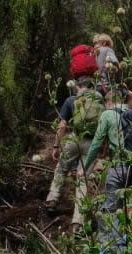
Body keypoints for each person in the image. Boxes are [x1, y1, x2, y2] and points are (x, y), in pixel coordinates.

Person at [45, 76, 105, 226]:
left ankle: (52, 199)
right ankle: (78, 221)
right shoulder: (99, 101)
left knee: (61, 169)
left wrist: (56, 146)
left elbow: (62, 125)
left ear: (78, 87)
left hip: (74, 139)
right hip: (91, 143)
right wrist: (103, 147)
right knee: (83, 179)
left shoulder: (71, 100)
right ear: (92, 87)